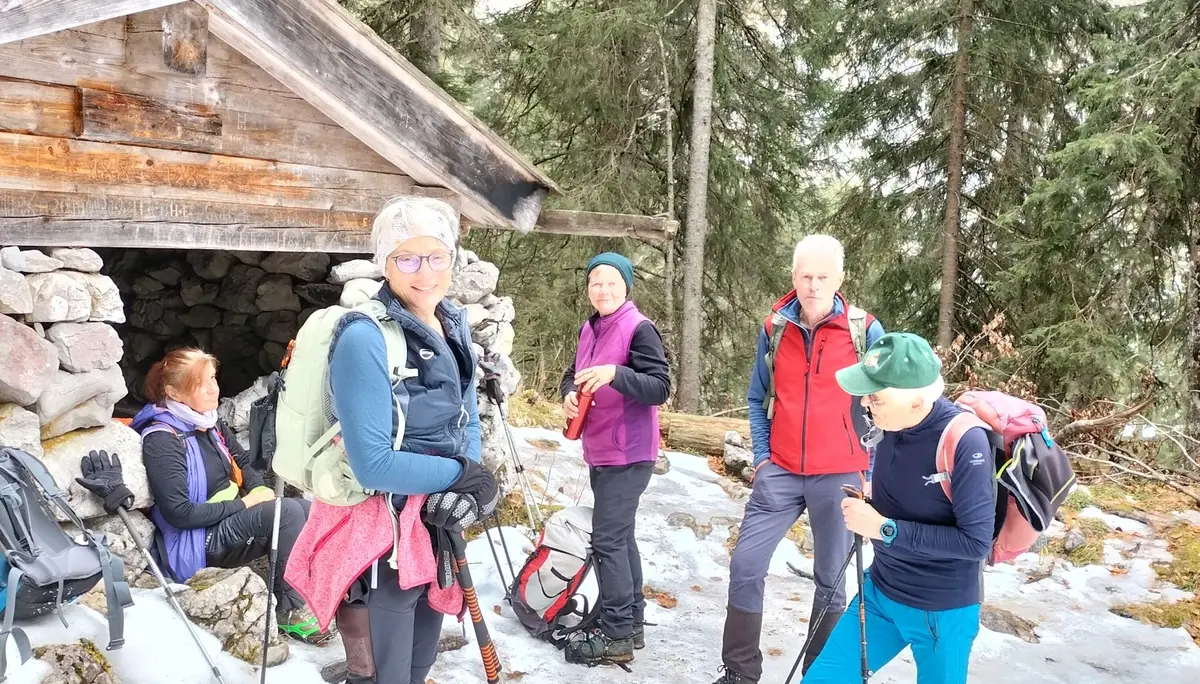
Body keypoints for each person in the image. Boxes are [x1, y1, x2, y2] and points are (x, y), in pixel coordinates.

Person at [323, 196, 499, 684]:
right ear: (385, 262)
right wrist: (463, 476)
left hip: (434, 520)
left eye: (436, 255)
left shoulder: (453, 325)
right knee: (385, 674)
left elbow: (466, 420)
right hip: (382, 530)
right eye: (407, 258)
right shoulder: (365, 338)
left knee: (418, 668)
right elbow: (373, 464)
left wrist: (467, 487)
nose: (425, 272)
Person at [714, 234, 884, 684]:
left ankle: (820, 676)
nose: (813, 285)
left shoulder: (865, 332)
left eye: (822, 276)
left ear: (839, 279)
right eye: (806, 276)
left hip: (842, 474)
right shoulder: (775, 328)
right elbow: (757, 397)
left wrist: (871, 473)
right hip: (781, 472)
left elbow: (886, 406)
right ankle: (739, 673)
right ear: (793, 277)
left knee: (831, 578)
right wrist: (764, 458)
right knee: (745, 565)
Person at [801, 332, 995, 683]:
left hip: (941, 613)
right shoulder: (891, 424)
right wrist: (870, 505)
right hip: (880, 593)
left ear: (916, 402)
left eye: (875, 398)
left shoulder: (965, 442)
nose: (865, 405)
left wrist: (883, 528)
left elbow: (976, 543)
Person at [129, 348, 329, 643]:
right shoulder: (163, 438)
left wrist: (258, 487)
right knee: (285, 514)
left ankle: (308, 595)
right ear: (174, 392)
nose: (214, 389)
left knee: (305, 509)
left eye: (213, 378)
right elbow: (179, 513)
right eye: (201, 384)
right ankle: (290, 611)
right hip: (197, 538)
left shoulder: (208, 421)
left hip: (227, 517)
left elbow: (243, 462)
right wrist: (246, 503)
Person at [558, 251, 670, 665]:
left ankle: (617, 633)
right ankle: (632, 623)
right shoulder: (590, 328)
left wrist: (615, 374)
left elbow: (659, 387)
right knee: (620, 537)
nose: (602, 290)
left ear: (626, 287)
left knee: (606, 539)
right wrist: (569, 394)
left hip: (630, 452)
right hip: (600, 448)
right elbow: (573, 374)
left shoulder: (639, 329)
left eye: (611, 283)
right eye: (595, 283)